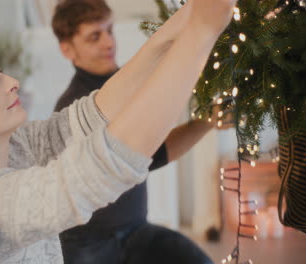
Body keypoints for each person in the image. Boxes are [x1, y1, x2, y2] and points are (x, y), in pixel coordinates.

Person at [0, 0, 236, 263]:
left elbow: (90, 113)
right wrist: (200, 34)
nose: (12, 83)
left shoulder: (18, 145)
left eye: (0, 72)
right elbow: (102, 167)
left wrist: (187, 18)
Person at [52, 1, 218, 263]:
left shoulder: (126, 84)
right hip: (89, 243)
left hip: (136, 230)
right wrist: (207, 122)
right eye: (95, 36)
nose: (109, 43)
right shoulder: (72, 110)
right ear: (67, 49)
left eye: (109, 30)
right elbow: (150, 154)